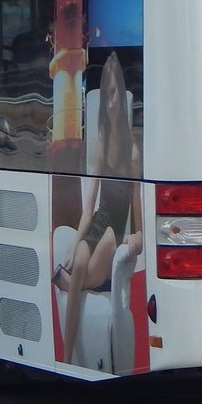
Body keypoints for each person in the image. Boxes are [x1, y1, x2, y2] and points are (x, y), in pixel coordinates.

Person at [53, 52, 141, 366]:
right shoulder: (102, 139)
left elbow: (136, 208)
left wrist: (136, 236)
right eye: (107, 97)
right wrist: (76, 241)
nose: (112, 103)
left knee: (80, 272)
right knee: (77, 262)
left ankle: (62, 279)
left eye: (115, 94)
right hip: (96, 224)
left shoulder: (132, 151)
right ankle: (66, 358)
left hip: (113, 231)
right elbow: (89, 206)